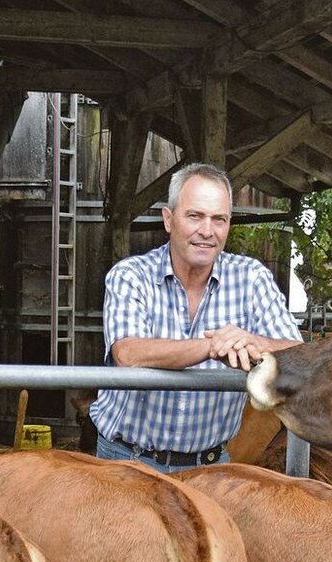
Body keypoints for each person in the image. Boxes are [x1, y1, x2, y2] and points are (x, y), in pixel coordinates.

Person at [91, 162, 302, 474]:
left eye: (219, 219)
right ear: (169, 219)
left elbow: (297, 352)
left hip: (210, 466)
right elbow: (129, 353)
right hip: (127, 460)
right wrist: (212, 346)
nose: (207, 231)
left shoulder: (251, 278)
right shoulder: (131, 275)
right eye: (195, 216)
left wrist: (253, 342)